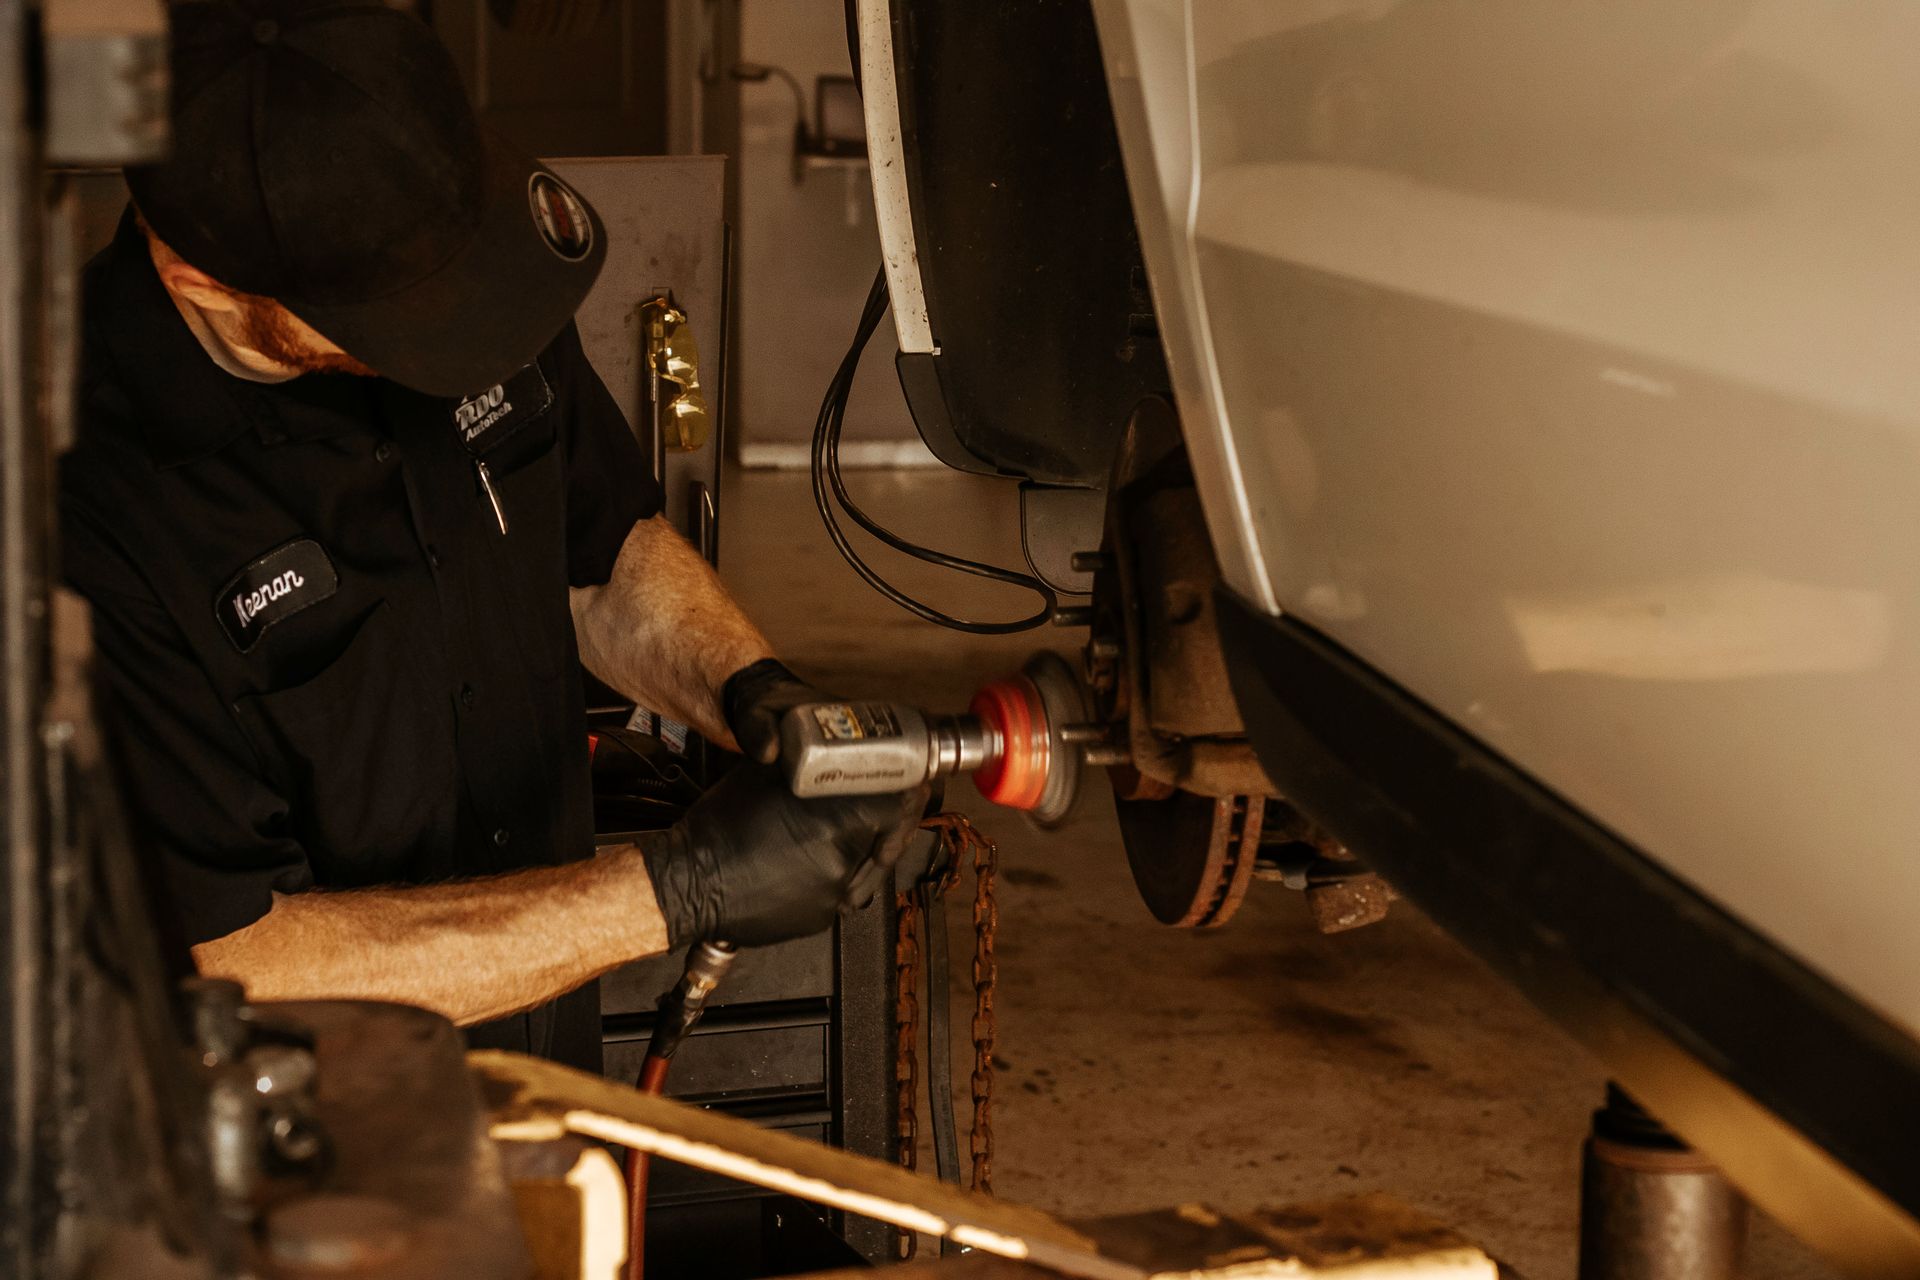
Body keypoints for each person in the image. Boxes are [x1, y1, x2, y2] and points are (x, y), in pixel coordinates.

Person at [58, 0, 923, 1071]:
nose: (450, 324)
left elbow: (601, 559)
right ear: (203, 280)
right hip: (327, 1150)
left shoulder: (459, 264)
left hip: (550, 1055)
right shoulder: (85, 507)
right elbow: (233, 956)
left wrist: (748, 688)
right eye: (394, 310)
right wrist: (674, 889)